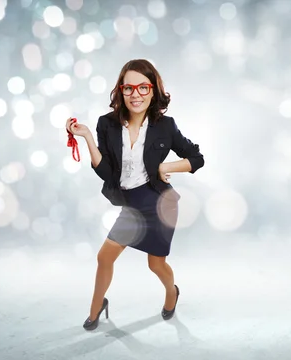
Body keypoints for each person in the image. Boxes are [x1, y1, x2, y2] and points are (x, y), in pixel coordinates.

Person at [65, 59, 205, 331]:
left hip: (161, 204)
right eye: (128, 88)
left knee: (155, 264)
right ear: (121, 91)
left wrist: (167, 166)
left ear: (153, 91)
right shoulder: (107, 124)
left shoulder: (166, 126)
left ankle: (171, 293)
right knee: (104, 257)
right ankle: (95, 311)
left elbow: (196, 158)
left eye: (143, 87)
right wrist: (86, 139)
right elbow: (107, 171)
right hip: (132, 206)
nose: (136, 94)